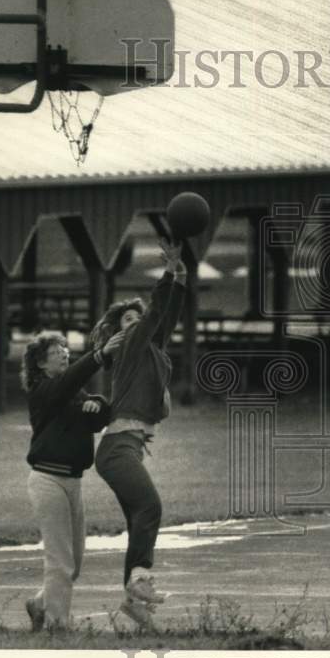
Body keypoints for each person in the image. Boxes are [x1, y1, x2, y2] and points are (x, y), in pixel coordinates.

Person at [90, 238, 186, 627]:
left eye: (137, 319)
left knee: (139, 520)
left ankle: (134, 601)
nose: (136, 323)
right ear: (120, 332)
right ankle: (140, 580)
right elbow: (154, 317)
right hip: (116, 449)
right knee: (150, 508)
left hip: (124, 448)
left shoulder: (153, 352)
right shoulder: (130, 348)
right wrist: (166, 275)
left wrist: (179, 274)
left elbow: (166, 317)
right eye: (128, 320)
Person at [20, 329, 125, 631]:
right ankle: (57, 626)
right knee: (60, 561)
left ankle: (39, 604)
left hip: (73, 482)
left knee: (74, 563)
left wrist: (97, 404)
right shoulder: (43, 392)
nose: (65, 354)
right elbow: (67, 387)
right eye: (57, 352)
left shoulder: (72, 392)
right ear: (41, 364)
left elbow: (98, 417)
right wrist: (98, 356)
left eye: (66, 350)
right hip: (47, 480)